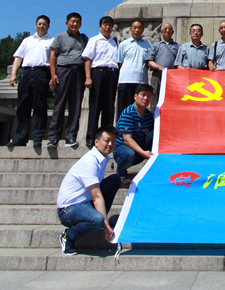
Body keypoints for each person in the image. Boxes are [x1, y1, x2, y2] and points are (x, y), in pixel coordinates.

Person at [56, 126, 123, 255]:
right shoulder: (90, 162)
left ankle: (99, 219)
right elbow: (97, 196)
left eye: (113, 141)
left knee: (115, 179)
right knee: (97, 220)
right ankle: (68, 236)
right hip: (68, 209)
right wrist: (106, 226)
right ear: (96, 142)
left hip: (84, 202)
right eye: (107, 140)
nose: (110, 144)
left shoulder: (102, 159)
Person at [47, 13, 90, 149]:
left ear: (81, 24)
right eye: (72, 21)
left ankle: (71, 136)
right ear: (67, 23)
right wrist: (53, 74)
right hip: (63, 71)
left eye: (77, 22)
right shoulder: (60, 36)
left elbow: (87, 57)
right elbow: (53, 55)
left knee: (75, 106)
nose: (75, 24)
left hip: (78, 72)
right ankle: (53, 137)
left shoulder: (84, 38)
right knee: (59, 105)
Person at [9, 15, 54, 146]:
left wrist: (53, 75)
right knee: (23, 105)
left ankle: (37, 137)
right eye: (39, 24)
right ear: (35, 25)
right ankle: (20, 138)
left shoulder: (52, 41)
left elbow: (54, 60)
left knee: (40, 105)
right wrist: (13, 74)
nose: (41, 26)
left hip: (42, 72)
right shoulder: (27, 40)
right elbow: (18, 57)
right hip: (27, 72)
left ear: (48, 26)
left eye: (44, 24)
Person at [83, 16, 119, 148]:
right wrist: (88, 77)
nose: (107, 27)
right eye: (105, 25)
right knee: (95, 106)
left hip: (112, 73)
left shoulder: (115, 41)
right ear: (100, 26)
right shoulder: (94, 40)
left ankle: (107, 137)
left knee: (109, 107)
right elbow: (88, 59)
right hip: (98, 73)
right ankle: (91, 137)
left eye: (110, 25)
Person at [114, 84, 154, 177]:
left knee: (155, 134)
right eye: (143, 95)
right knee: (128, 154)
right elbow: (127, 140)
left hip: (140, 146)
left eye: (148, 96)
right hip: (124, 148)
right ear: (135, 96)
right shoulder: (128, 113)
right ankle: (120, 174)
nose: (145, 98)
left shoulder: (148, 115)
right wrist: (143, 153)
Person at [116, 20, 151, 122]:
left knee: (139, 109)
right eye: (134, 28)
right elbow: (120, 62)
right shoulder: (124, 44)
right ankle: (121, 130)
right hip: (125, 80)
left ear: (143, 30)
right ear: (130, 29)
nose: (136, 30)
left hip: (141, 81)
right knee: (123, 108)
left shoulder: (148, 45)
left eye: (139, 28)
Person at [147, 22, 179, 102]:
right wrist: (158, 67)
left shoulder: (178, 46)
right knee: (155, 95)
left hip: (172, 76)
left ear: (173, 32)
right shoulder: (155, 45)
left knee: (171, 97)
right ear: (161, 32)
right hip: (157, 74)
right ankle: (155, 110)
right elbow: (150, 61)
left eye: (170, 29)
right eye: (165, 29)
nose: (167, 31)